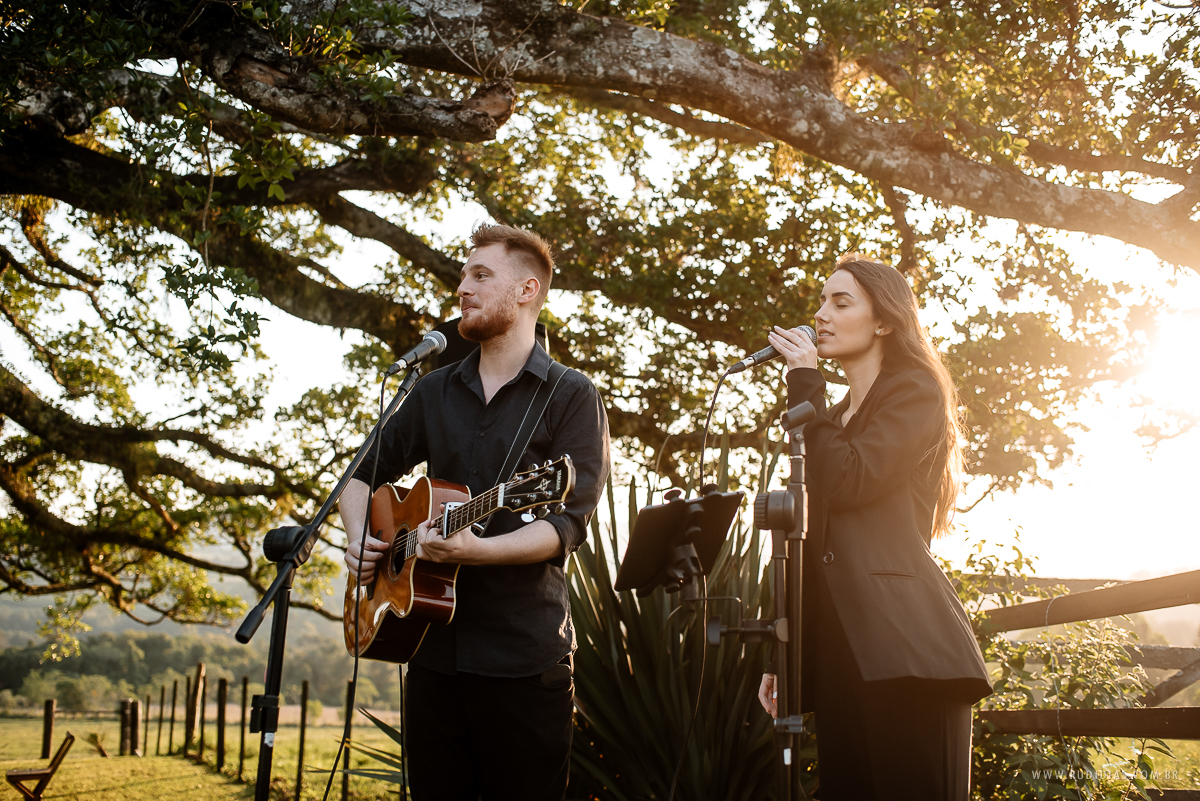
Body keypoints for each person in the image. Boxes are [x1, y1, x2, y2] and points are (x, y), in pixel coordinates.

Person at [338, 223, 610, 801]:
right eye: (464, 275)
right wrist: (361, 539)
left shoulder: (571, 395)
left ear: (528, 290)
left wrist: (479, 551)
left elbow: (568, 524)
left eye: (481, 275)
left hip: (523, 663)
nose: (463, 288)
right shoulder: (432, 390)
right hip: (431, 655)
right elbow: (358, 477)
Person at [757, 254, 991, 800]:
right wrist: (784, 658)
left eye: (841, 303)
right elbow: (812, 546)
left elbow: (852, 480)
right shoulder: (830, 419)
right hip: (843, 659)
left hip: (908, 654)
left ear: (884, 321)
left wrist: (804, 382)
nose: (821, 314)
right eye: (821, 301)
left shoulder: (915, 391)